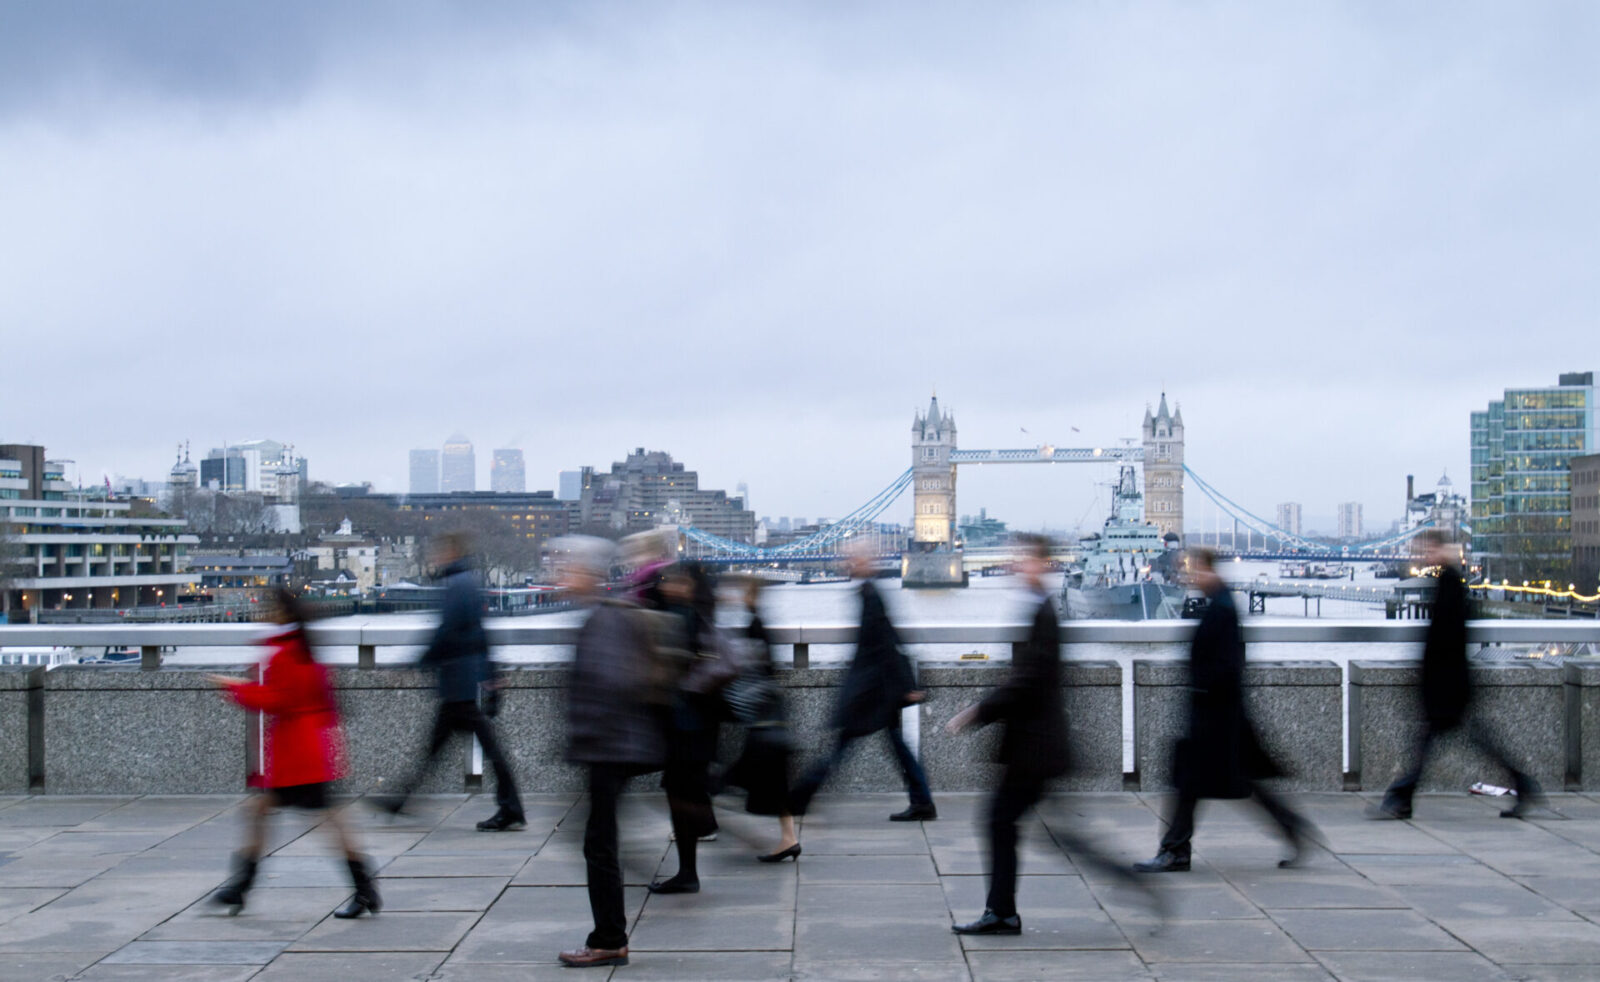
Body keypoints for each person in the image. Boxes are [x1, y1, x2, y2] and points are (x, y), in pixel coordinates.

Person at [1134, 547, 1311, 873]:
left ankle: (1175, 851)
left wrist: (1201, 689)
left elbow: (1226, 665)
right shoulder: (1221, 602)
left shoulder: (1222, 608)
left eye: (1195, 571)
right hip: (1220, 714)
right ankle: (1292, 828)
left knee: (1191, 783)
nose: (1191, 578)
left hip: (1214, 716)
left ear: (1209, 570)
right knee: (1233, 783)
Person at [207, 588, 379, 919]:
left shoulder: (287, 653)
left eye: (271, 607)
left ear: (284, 614)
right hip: (307, 750)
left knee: (317, 820)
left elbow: (279, 699)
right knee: (291, 815)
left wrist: (233, 687)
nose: (265, 613)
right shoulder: (302, 648)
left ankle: (242, 886)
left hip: (298, 755)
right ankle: (240, 886)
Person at [1370, 529, 1545, 820]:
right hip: (1450, 683)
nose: (1425, 556)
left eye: (1428, 550)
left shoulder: (1449, 583)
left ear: (1442, 550)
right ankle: (1523, 786)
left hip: (1447, 685)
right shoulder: (1449, 581)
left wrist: (1431, 678)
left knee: (1431, 746)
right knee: (1465, 744)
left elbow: (1446, 638)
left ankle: (1401, 798)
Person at [945, 534, 1067, 934]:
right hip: (1034, 745)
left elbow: (1029, 680)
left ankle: (1002, 913)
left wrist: (978, 710)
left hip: (1035, 746)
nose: (1017, 563)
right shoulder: (1039, 609)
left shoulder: (1045, 613)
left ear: (1043, 563)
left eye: (1026, 558)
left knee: (1000, 822)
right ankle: (1002, 911)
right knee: (1008, 824)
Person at [555, 536, 667, 969]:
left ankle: (609, 939)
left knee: (598, 845)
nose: (561, 576)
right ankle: (610, 934)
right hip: (614, 746)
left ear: (588, 574)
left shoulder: (604, 620)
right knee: (600, 840)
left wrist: (585, 737)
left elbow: (612, 685)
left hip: (610, 748)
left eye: (567, 568)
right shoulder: (607, 615)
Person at [374, 532, 524, 831]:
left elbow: (446, 633)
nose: (434, 557)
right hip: (465, 679)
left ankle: (511, 807)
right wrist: (491, 673)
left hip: (459, 682)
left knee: (473, 748)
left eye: (438, 551)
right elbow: (479, 633)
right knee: (442, 747)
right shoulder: (467, 582)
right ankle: (400, 800)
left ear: (451, 552)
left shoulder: (458, 585)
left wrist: (414, 664)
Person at [789, 548, 936, 822]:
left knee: (842, 747)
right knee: (895, 747)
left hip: (871, 692)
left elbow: (885, 644)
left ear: (867, 564)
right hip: (878, 689)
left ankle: (800, 797)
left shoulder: (871, 596)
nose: (849, 562)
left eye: (855, 558)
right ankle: (922, 802)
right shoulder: (870, 593)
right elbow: (891, 640)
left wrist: (905, 685)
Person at [650, 563, 733, 895]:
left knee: (680, 794)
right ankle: (688, 869)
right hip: (697, 723)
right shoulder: (700, 614)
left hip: (686, 724)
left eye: (673, 581)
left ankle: (688, 872)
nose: (666, 585)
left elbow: (669, 667)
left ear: (688, 586)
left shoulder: (683, 617)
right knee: (683, 792)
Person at [721, 577, 801, 862]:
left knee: (729, 779)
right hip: (769, 718)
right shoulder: (758, 621)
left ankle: (702, 825)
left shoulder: (754, 624)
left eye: (739, 590)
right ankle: (789, 838)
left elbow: (752, 670)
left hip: (761, 720)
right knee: (773, 782)